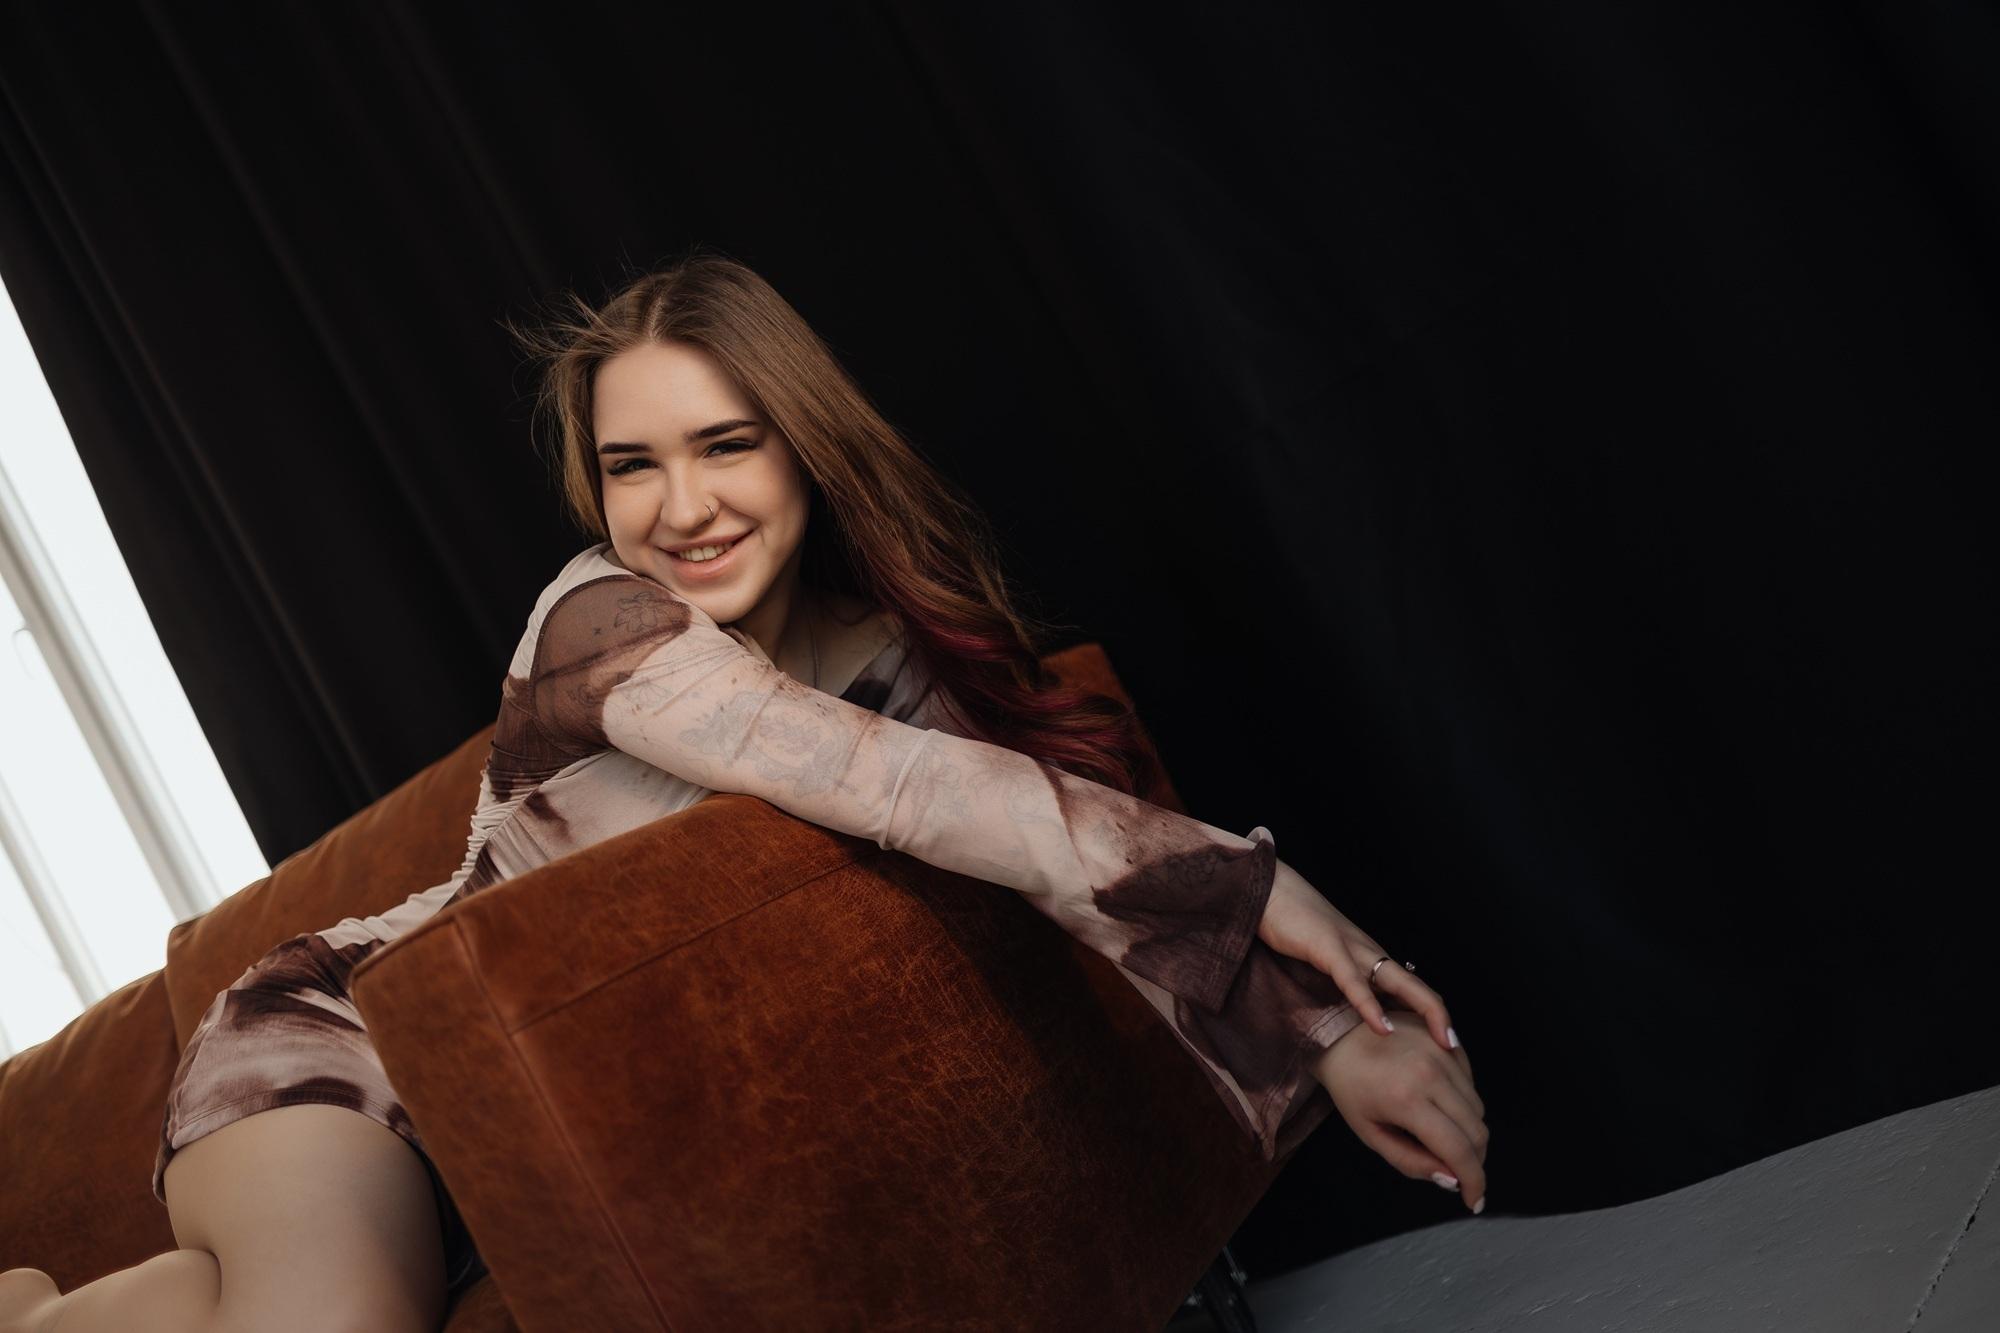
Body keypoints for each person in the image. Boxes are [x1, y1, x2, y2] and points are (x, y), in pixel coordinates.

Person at [0, 251, 1488, 1333]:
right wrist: (1265, 884)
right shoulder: (603, 622)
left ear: (804, 444)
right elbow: (897, 788)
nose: (683, 506)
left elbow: (1041, 852)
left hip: (541, 1110)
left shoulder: (882, 657)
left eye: (726, 444)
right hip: (348, 1044)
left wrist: (1325, 1041)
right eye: (632, 465)